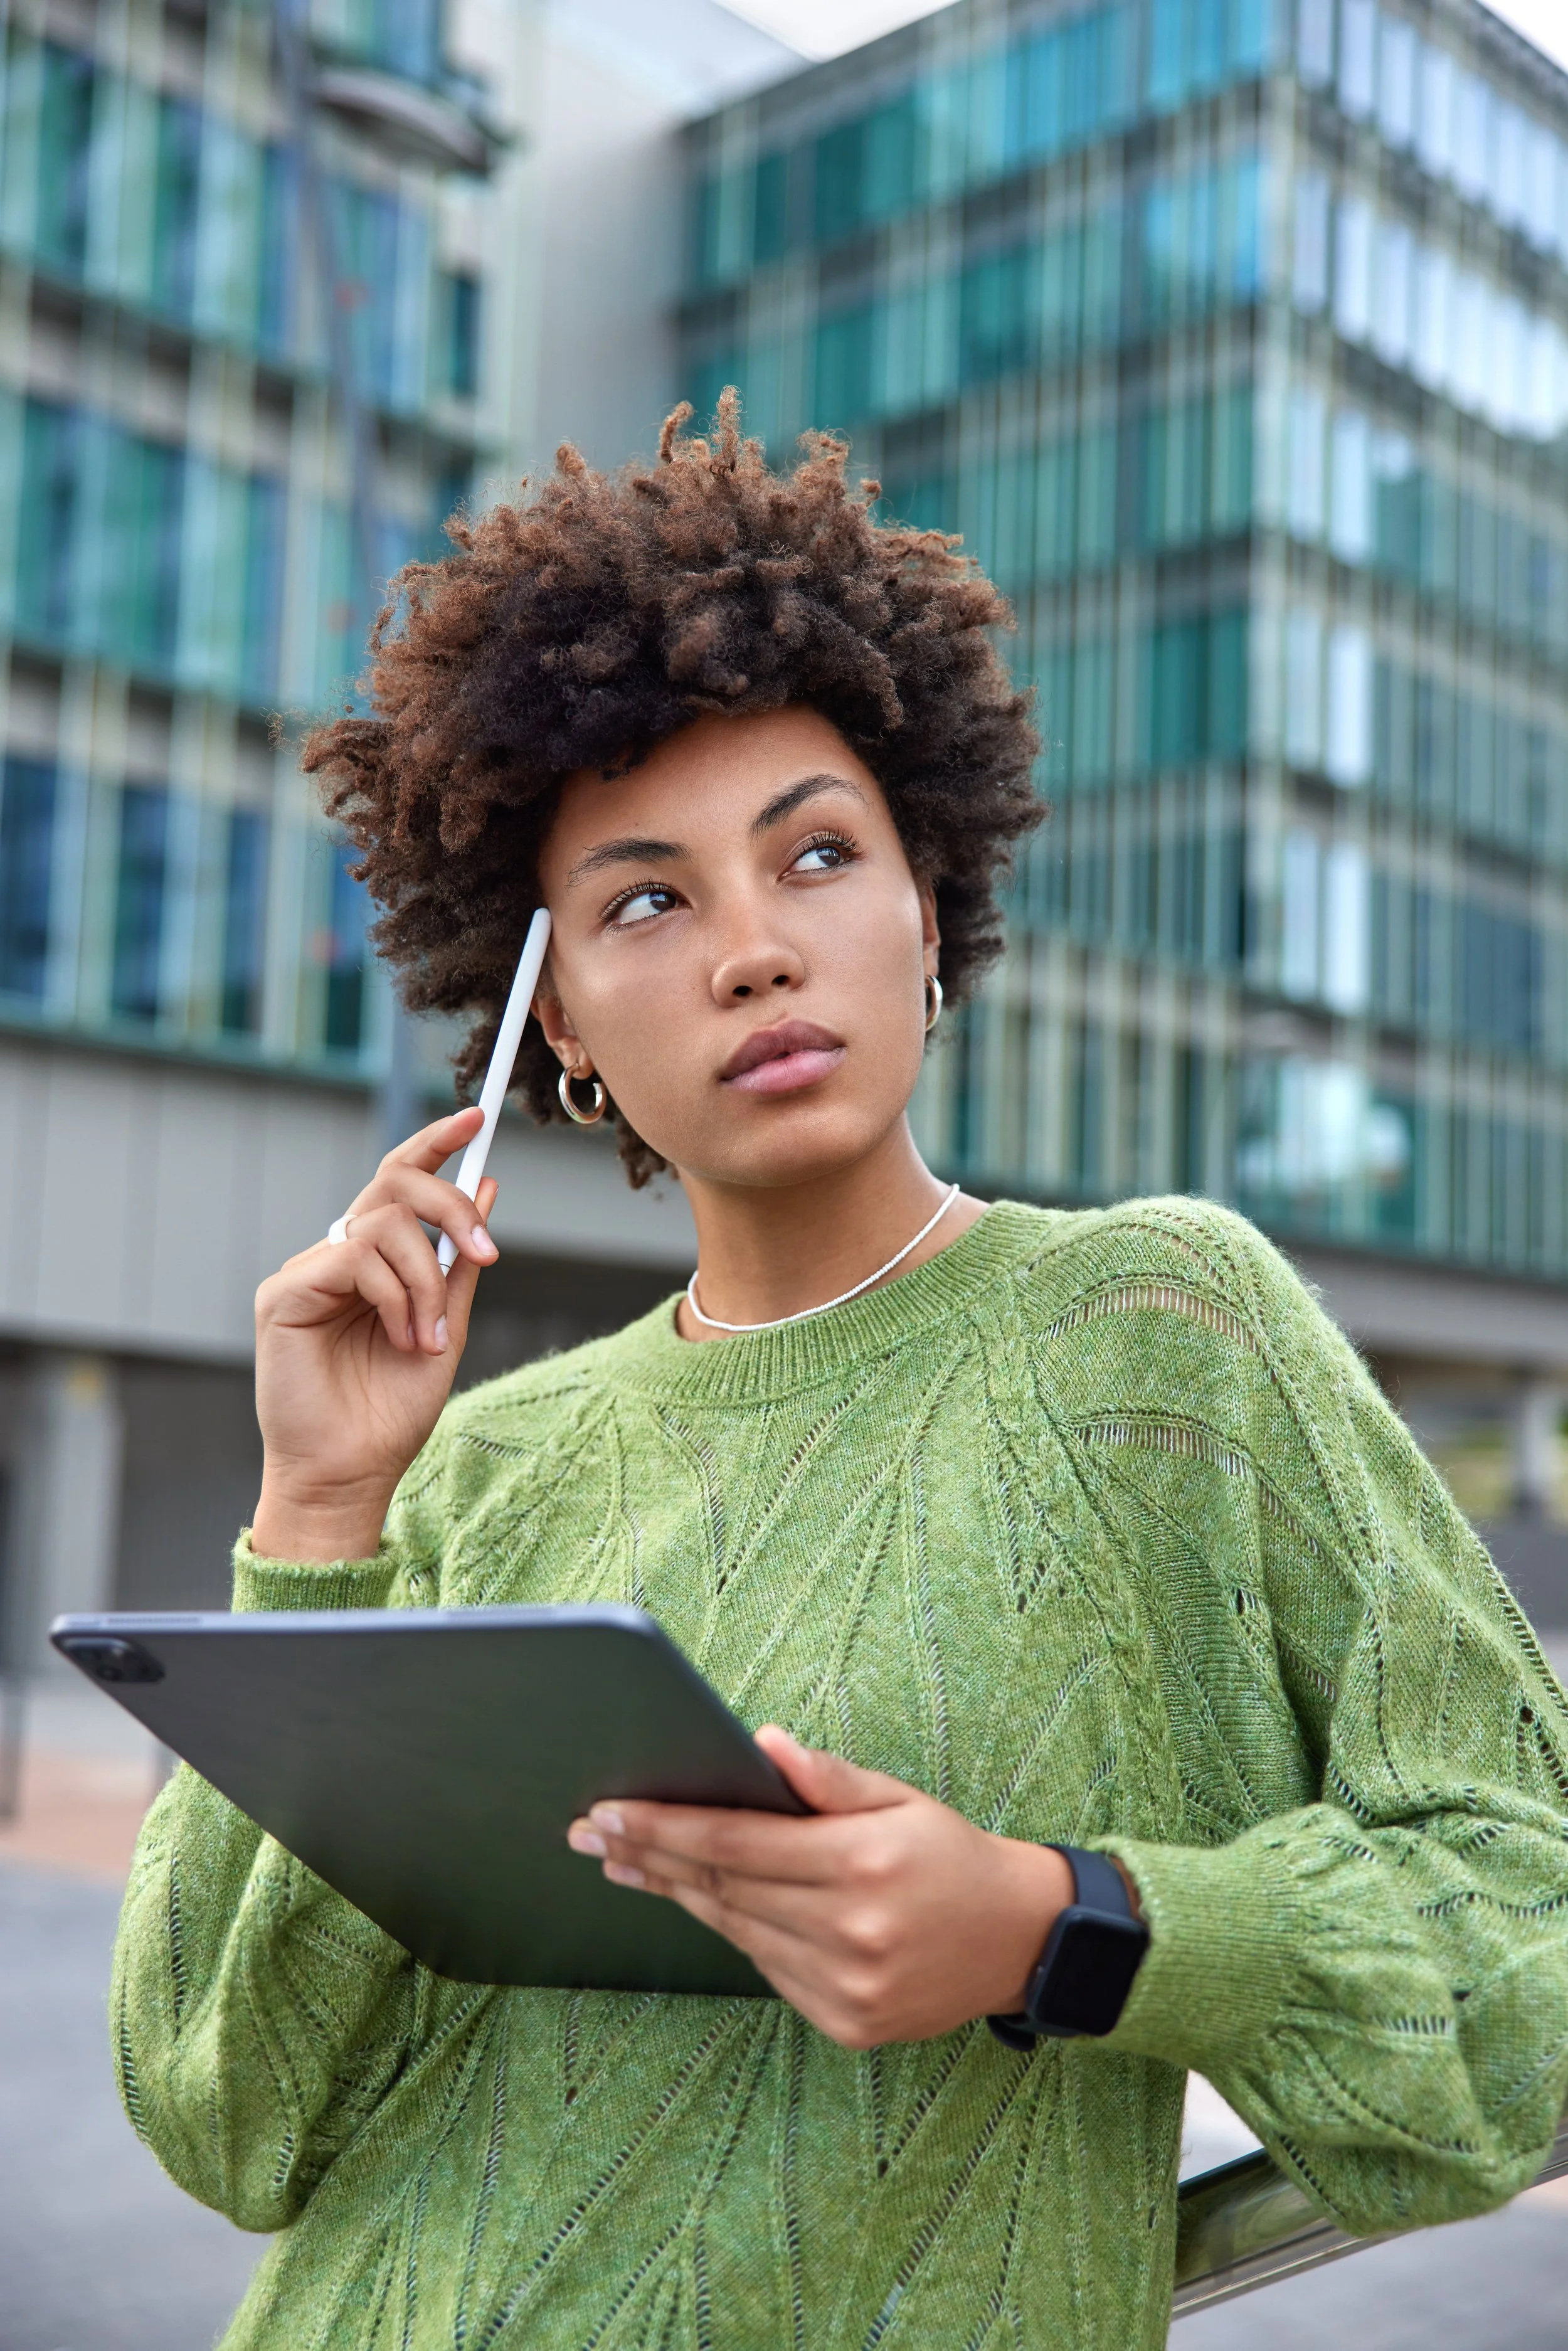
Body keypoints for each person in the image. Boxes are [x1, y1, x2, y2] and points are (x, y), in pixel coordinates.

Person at [113, 398, 1568, 2350]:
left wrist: (1069, 1923)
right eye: (646, 897)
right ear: (558, 1043)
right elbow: (226, 2114)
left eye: (814, 855)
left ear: (927, 914)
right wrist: (315, 1518)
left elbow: (1525, 1961)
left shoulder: (1164, 1332)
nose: (748, 951)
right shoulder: (479, 1464)